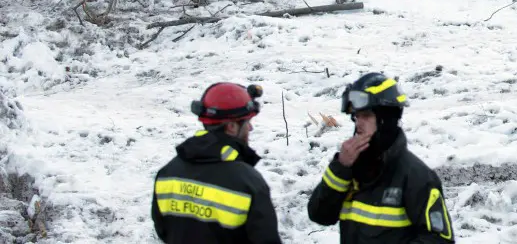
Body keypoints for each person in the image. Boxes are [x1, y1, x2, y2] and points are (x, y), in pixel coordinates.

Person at [308, 73, 454, 242]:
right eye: (356, 116)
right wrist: (340, 167)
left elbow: (440, 240)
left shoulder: (416, 177)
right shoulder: (353, 169)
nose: (358, 123)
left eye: (366, 115)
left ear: (386, 118)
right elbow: (319, 215)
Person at [151, 82, 282, 244]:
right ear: (232, 127)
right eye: (246, 122)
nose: (250, 128)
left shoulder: (167, 173)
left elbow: (163, 230)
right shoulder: (248, 183)